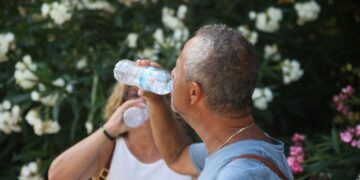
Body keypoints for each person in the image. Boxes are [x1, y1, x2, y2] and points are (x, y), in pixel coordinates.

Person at [138, 24, 294, 179]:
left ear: (193, 93)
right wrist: (156, 102)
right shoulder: (236, 145)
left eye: (177, 67)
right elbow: (177, 156)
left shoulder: (239, 173)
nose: (171, 73)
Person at [48, 83, 192, 180]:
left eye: (153, 96)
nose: (143, 102)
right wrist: (109, 129)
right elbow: (57, 176)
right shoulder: (109, 151)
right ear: (122, 104)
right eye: (135, 96)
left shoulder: (185, 152)